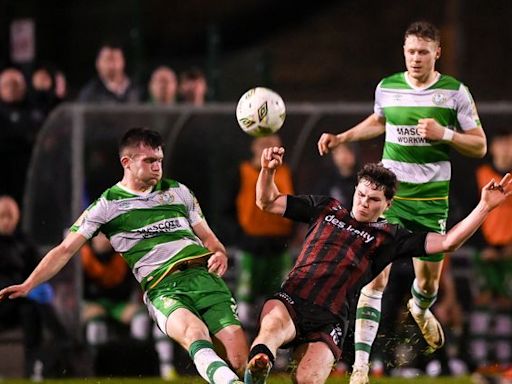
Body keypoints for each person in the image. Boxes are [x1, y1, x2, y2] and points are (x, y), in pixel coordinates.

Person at [243, 146, 510, 384]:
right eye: (361, 195)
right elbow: (267, 201)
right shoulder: (326, 207)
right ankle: (258, 368)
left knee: (308, 379)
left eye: (373, 200)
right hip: (294, 298)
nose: (364, 203)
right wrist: (267, 171)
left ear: (387, 205)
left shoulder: (389, 237)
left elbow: (448, 242)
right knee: (271, 331)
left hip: (331, 319)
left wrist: (484, 207)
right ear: (355, 190)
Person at [0, 128, 248, 384]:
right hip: (164, 288)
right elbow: (64, 250)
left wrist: (219, 252)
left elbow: (209, 238)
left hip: (205, 278)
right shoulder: (107, 205)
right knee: (195, 334)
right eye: (149, 161)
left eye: (160, 160)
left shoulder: (179, 191)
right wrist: (29, 283)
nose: (157, 167)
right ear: (126, 163)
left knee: (240, 359)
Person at [317, 20, 487, 383]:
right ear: (404, 51)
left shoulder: (454, 92)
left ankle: (421, 310)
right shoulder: (388, 87)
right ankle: (361, 366)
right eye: (411, 51)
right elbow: (379, 122)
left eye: (423, 52)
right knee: (374, 281)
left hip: (430, 202)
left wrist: (445, 134)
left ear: (436, 53)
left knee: (427, 286)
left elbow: (480, 144)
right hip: (390, 198)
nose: (416, 58)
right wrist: (342, 137)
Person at [81, 232, 176, 380]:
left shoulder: (123, 255)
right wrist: (84, 307)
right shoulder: (83, 255)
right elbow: (70, 290)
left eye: (106, 236)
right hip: (92, 304)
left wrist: (135, 304)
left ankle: (139, 364)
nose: (103, 240)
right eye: (99, 236)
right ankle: (93, 368)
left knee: (141, 318)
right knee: (95, 325)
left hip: (119, 304)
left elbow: (138, 284)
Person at [233, 135, 294, 331]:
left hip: (279, 247)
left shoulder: (287, 173)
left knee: (282, 300)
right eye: (263, 145)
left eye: (273, 144)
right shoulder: (241, 172)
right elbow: (226, 209)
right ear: (254, 147)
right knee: (244, 306)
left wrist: (290, 237)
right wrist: (240, 238)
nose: (268, 149)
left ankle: (280, 354)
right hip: (251, 247)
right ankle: (243, 351)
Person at [470, 130, 512, 369]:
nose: (507, 149)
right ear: (493, 147)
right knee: (482, 300)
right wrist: (482, 246)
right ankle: (479, 360)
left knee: (507, 302)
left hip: (510, 253)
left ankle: (505, 362)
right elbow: (467, 212)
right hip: (485, 251)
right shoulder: (480, 175)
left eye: (510, 144)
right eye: (503, 143)